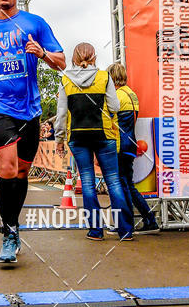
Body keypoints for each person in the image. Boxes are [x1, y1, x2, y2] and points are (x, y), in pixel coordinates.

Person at [0, 0, 65, 264]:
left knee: (22, 172)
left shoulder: (35, 23)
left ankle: (13, 224)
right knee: (7, 169)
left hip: (30, 109)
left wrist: (42, 53)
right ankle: (9, 233)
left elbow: (61, 61)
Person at [55, 43, 133, 241]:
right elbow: (115, 106)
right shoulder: (104, 77)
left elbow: (61, 114)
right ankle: (125, 230)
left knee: (88, 183)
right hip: (104, 134)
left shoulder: (66, 79)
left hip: (78, 137)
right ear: (94, 57)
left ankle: (96, 231)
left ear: (74, 58)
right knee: (114, 181)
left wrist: (59, 140)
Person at [108, 63, 160, 234]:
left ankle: (125, 224)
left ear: (112, 76)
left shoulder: (115, 96)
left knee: (121, 186)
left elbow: (110, 123)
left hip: (119, 145)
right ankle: (150, 220)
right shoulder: (132, 94)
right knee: (128, 185)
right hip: (131, 143)